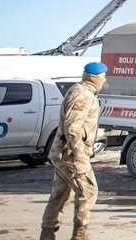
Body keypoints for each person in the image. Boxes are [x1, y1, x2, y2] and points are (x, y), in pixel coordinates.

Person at [41, 62, 108, 240]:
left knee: (59, 195)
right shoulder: (83, 95)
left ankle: (47, 234)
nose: (105, 79)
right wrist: (78, 152)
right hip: (71, 154)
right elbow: (73, 126)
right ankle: (80, 235)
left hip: (62, 153)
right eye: (103, 76)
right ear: (95, 77)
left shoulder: (79, 90)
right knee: (88, 192)